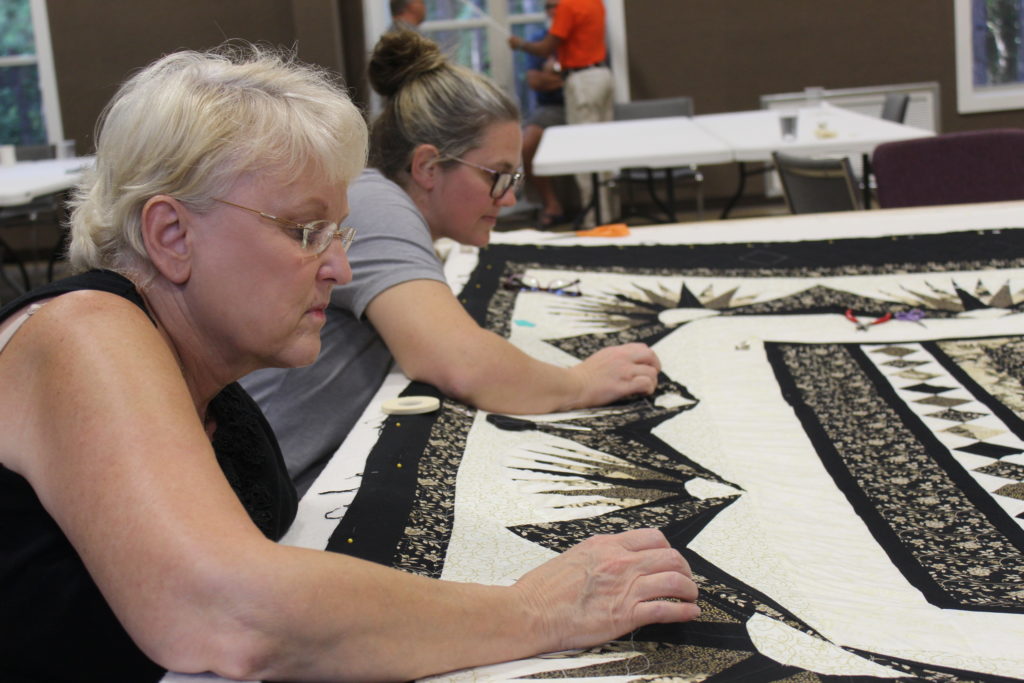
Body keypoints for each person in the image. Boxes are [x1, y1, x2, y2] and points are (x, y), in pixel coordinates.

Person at [0, 44, 700, 682]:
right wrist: (536, 611)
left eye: (339, 232)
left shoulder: (197, 376)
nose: (337, 265)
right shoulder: (82, 334)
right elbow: (235, 610)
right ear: (171, 235)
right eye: (307, 231)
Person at [241, 31, 662, 496]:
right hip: (264, 490)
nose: (512, 196)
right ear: (427, 167)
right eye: (499, 176)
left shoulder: (380, 200)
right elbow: (460, 362)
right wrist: (579, 382)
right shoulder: (376, 200)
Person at [509, 0, 614, 224]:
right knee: (603, 150)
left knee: (587, 152)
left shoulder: (568, 6)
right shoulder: (595, 3)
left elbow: (547, 47)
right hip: (601, 76)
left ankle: (595, 219)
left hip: (582, 80)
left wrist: (519, 44)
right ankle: (609, 213)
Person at [523, 0, 567, 228]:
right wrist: (562, 79)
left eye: (558, 5)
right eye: (549, 6)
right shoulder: (538, 40)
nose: (553, 11)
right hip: (551, 108)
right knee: (527, 143)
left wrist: (554, 77)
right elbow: (535, 81)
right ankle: (550, 205)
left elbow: (587, 78)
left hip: (582, 103)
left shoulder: (582, 39)